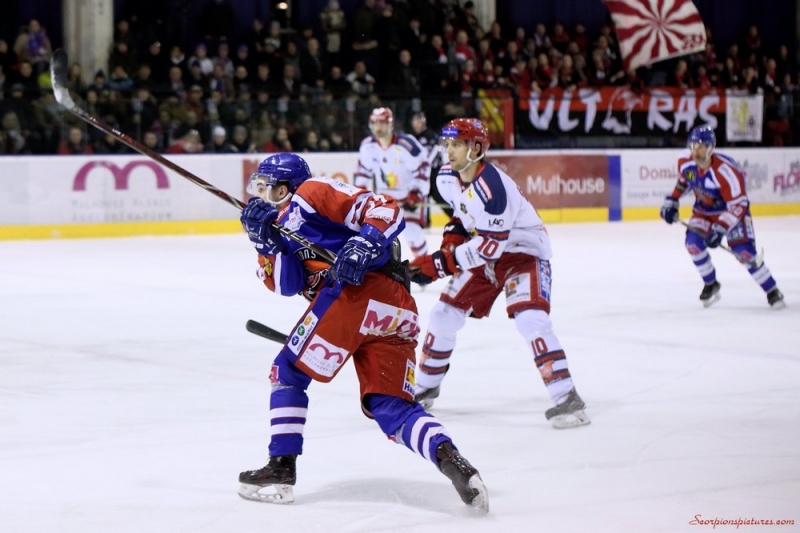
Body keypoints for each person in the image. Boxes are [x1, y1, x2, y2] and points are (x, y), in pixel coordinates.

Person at [237, 153, 489, 512]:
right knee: (390, 407)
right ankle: (451, 459)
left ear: (286, 187)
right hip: (393, 309)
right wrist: (266, 244)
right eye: (257, 188)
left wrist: (365, 242)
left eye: (267, 188)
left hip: (358, 293)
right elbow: (288, 285)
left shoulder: (312, 192)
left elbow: (386, 209)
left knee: (287, 372)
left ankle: (281, 467)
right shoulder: (275, 226)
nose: (260, 196)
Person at [408, 118, 590, 430]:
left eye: (457, 144)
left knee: (531, 319)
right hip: (488, 252)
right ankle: (426, 385)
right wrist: (449, 244)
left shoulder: (493, 187)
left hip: (523, 253)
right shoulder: (448, 178)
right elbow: (461, 218)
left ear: (476, 148)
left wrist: (440, 263)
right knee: (443, 315)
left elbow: (491, 247)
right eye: (447, 144)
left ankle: (567, 396)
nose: (449, 151)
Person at [660, 125, 785, 309]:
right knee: (693, 244)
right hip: (704, 211)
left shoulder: (726, 171)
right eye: (693, 146)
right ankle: (711, 284)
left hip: (733, 213)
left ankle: (772, 290)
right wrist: (672, 200)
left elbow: (739, 204)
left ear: (710, 148)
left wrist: (720, 228)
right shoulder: (685, 161)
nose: (696, 150)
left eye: (700, 146)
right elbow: (685, 180)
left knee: (744, 252)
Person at [354, 107, 430, 259]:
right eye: (375, 123)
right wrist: (359, 193)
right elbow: (363, 171)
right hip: (386, 201)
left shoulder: (406, 144)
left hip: (409, 198)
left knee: (412, 233)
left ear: (391, 125)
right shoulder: (368, 146)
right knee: (378, 236)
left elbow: (423, 167)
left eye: (382, 123)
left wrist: (416, 192)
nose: (378, 127)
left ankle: (423, 265)